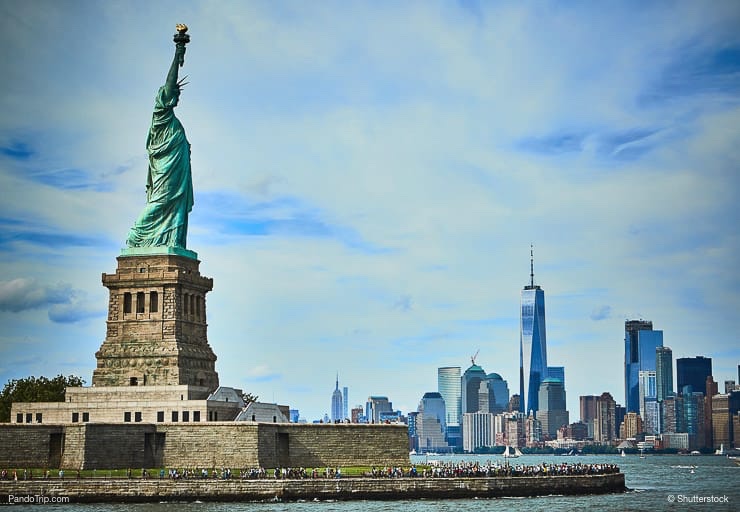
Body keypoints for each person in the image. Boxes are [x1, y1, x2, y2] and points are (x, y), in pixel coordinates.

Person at [126, 33, 193, 250]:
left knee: (173, 204)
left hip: (177, 171)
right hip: (167, 170)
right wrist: (178, 52)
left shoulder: (172, 121)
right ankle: (136, 237)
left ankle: (171, 240)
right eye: (173, 93)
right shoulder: (161, 114)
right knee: (160, 200)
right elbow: (169, 83)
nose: (176, 96)